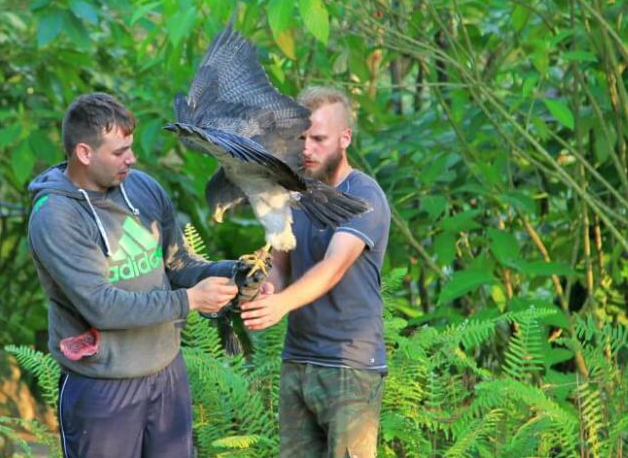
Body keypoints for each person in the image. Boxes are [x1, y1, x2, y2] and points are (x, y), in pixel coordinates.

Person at [27, 92, 242, 457]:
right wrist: (191, 300)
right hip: (102, 387)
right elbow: (102, 307)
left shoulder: (142, 188)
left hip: (165, 374)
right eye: (119, 152)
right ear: (84, 153)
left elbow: (177, 264)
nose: (132, 158)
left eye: (129, 147)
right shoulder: (56, 216)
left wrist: (235, 274)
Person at [240, 86, 391, 458]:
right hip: (298, 360)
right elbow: (281, 264)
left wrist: (281, 306)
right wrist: (267, 293)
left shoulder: (363, 195)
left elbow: (333, 267)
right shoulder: (295, 192)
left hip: (350, 366)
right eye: (301, 138)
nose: (306, 148)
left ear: (345, 138)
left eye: (319, 139)